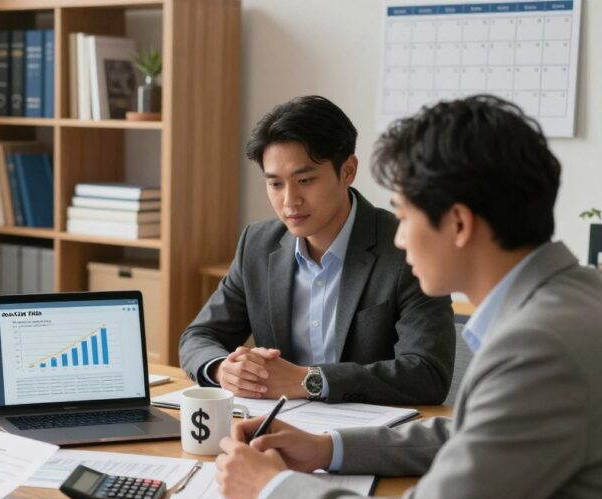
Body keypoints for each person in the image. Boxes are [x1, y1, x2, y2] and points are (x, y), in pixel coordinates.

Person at [215, 95, 602, 499]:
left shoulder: (539, 348)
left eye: (404, 213)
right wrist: (328, 448)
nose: (398, 238)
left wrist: (272, 489)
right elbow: (469, 435)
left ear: (458, 223)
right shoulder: (577, 299)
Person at [180, 96, 454, 405]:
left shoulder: (405, 248)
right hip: (276, 430)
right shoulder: (257, 244)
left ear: (348, 170)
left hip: (367, 438)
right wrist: (222, 369)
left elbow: (428, 374)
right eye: (275, 184)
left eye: (305, 180)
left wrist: (309, 380)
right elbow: (198, 337)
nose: (289, 201)